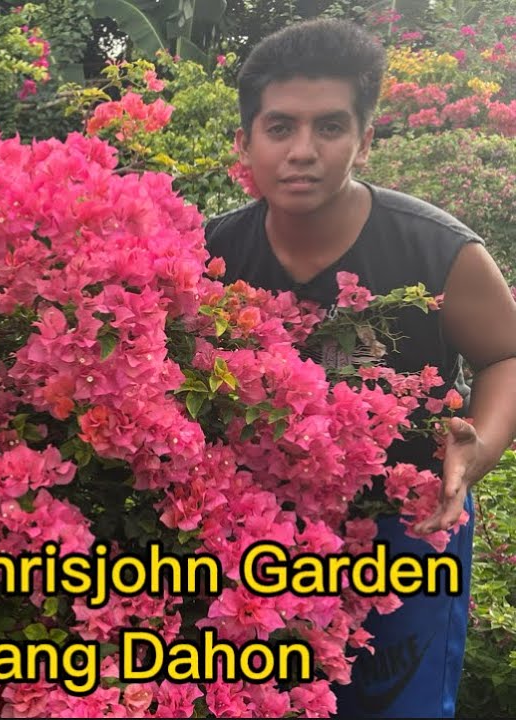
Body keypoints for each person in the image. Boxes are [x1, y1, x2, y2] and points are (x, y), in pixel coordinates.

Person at [203, 17, 516, 718]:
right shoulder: (211, 255)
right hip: (261, 534)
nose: (303, 152)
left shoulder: (436, 252)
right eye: (280, 128)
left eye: (331, 128)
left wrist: (478, 449)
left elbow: (505, 355)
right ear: (245, 144)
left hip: (410, 530)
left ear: (366, 139)